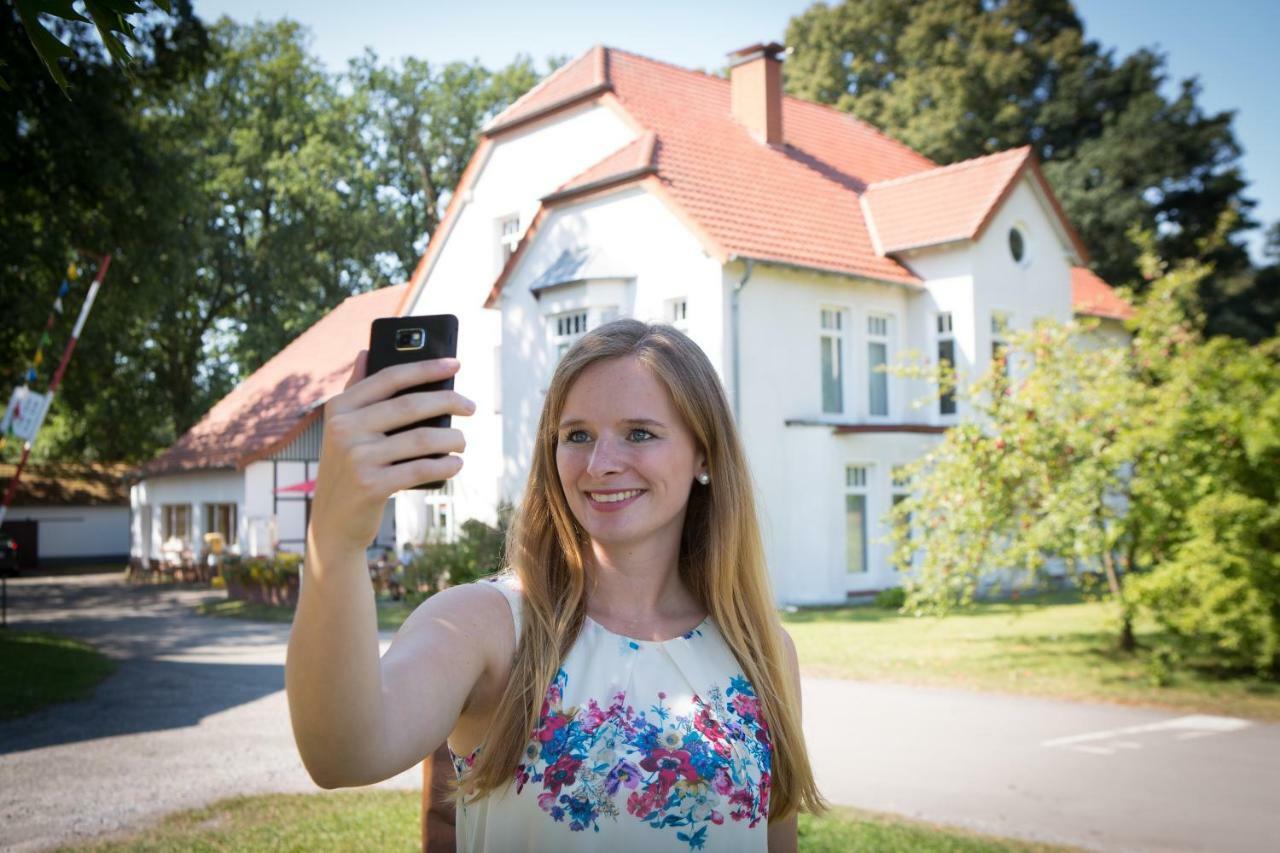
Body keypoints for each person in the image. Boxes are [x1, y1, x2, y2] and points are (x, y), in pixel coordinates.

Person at [286, 319, 826, 851]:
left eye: (639, 433)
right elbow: (342, 755)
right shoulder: (486, 625)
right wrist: (336, 540)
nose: (601, 463)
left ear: (704, 455)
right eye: (577, 435)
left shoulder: (765, 653)